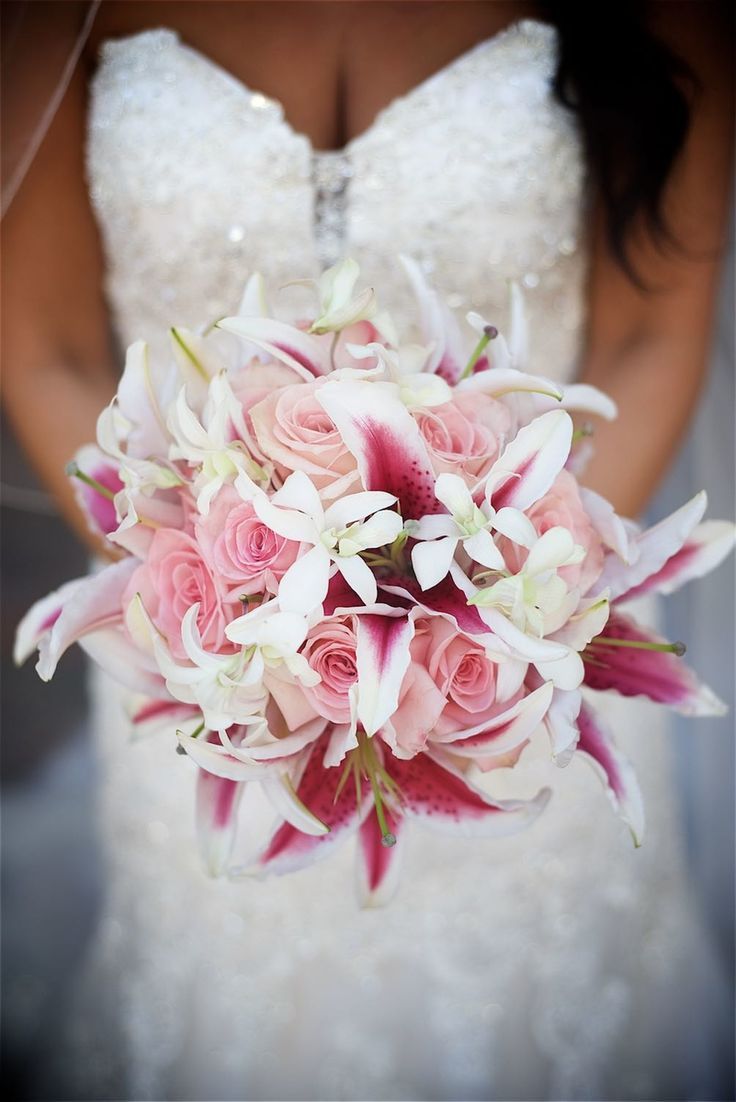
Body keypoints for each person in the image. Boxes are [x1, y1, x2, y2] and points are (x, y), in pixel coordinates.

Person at [2, 2, 733, 1098]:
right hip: (204, 663)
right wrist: (215, 619)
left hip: (529, 657)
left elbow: (649, 332)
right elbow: (46, 344)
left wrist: (503, 623)